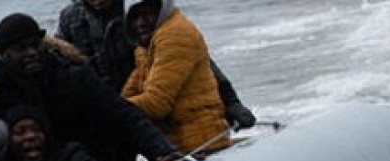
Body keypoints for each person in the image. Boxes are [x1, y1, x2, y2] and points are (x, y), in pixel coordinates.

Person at [0, 13, 179, 161]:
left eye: (35, 45)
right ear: (3, 53)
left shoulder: (74, 77)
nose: (31, 53)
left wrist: (160, 150)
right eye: (21, 49)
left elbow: (122, 114)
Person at [55, 0, 256, 130]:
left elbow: (187, 54)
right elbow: (61, 66)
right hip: (106, 109)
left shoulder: (139, 10)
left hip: (147, 104)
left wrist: (230, 100)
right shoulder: (70, 19)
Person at [121, 0, 231, 155]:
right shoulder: (146, 46)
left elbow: (156, 103)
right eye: (135, 17)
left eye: (148, 14)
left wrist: (108, 110)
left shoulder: (174, 35)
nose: (141, 23)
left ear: (162, 10)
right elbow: (127, 94)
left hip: (201, 142)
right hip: (176, 142)